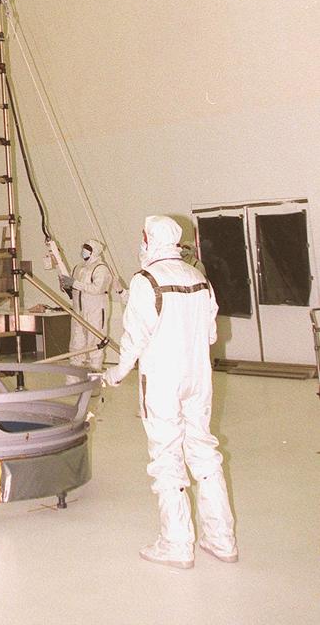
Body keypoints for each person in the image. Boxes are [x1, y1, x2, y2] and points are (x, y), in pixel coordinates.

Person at [104, 215, 238, 569]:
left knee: (166, 456)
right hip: (198, 378)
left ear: (149, 240)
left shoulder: (146, 280)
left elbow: (134, 338)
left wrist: (116, 373)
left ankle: (176, 544)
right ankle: (221, 539)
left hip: (163, 380)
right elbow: (211, 334)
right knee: (204, 452)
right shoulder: (198, 277)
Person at [60, 239, 113, 371]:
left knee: (95, 344)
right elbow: (73, 290)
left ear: (94, 251)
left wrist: (74, 283)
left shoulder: (101, 268)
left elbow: (97, 289)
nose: (84, 251)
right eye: (83, 248)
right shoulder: (79, 267)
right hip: (78, 312)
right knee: (77, 344)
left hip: (95, 311)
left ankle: (94, 380)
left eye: (87, 249)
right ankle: (74, 380)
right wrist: (65, 285)